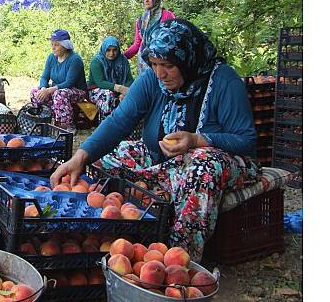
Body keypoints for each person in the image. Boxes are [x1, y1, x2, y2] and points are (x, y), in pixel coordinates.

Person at [51, 19, 261, 262]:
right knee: (105, 162)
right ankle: (119, 241)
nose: (160, 73)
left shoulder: (223, 81)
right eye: (154, 64)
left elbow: (246, 140)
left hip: (219, 163)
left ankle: (180, 258)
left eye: (168, 65)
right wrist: (81, 156)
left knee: (201, 165)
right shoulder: (153, 79)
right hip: (160, 158)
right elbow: (119, 121)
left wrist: (197, 139)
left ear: (187, 60)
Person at [30, 29, 87, 133]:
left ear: (65, 46)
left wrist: (49, 90)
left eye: (56, 45)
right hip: (56, 89)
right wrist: (43, 88)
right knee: (35, 92)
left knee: (60, 94)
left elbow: (69, 83)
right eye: (52, 44)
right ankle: (45, 119)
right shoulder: (51, 57)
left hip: (76, 91)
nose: (53, 47)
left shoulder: (75, 59)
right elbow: (44, 77)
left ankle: (68, 125)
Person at [123, 0, 176, 75]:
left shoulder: (167, 15)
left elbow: (175, 39)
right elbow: (137, 44)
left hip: (163, 61)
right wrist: (122, 56)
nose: (146, 0)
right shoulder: (141, 20)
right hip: (144, 63)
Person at [87, 35, 134, 120]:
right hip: (96, 91)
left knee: (133, 94)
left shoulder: (122, 60)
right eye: (108, 50)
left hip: (118, 91)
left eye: (114, 50)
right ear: (104, 49)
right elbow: (100, 82)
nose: (111, 53)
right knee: (108, 95)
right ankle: (106, 124)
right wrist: (119, 88)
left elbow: (129, 79)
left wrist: (124, 93)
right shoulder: (97, 61)